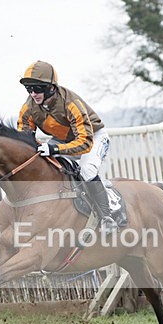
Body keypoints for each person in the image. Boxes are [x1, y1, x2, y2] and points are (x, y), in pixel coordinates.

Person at [17, 60, 117, 233]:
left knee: (86, 170)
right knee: (45, 165)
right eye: (29, 89)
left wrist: (55, 149)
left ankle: (106, 216)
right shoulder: (29, 107)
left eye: (38, 89)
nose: (33, 94)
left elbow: (85, 142)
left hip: (93, 137)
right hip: (63, 139)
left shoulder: (71, 104)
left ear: (51, 88)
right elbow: (23, 138)